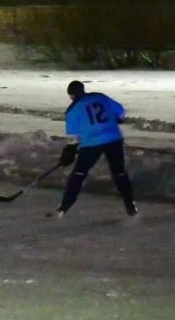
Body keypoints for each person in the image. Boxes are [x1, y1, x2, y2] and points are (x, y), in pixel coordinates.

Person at [53, 80, 138, 219]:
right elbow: (121, 113)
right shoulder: (100, 97)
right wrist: (117, 120)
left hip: (92, 144)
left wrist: (69, 152)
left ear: (72, 95)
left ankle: (64, 207)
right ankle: (130, 205)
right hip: (113, 138)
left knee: (78, 174)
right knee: (119, 173)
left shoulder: (72, 111)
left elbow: (74, 138)